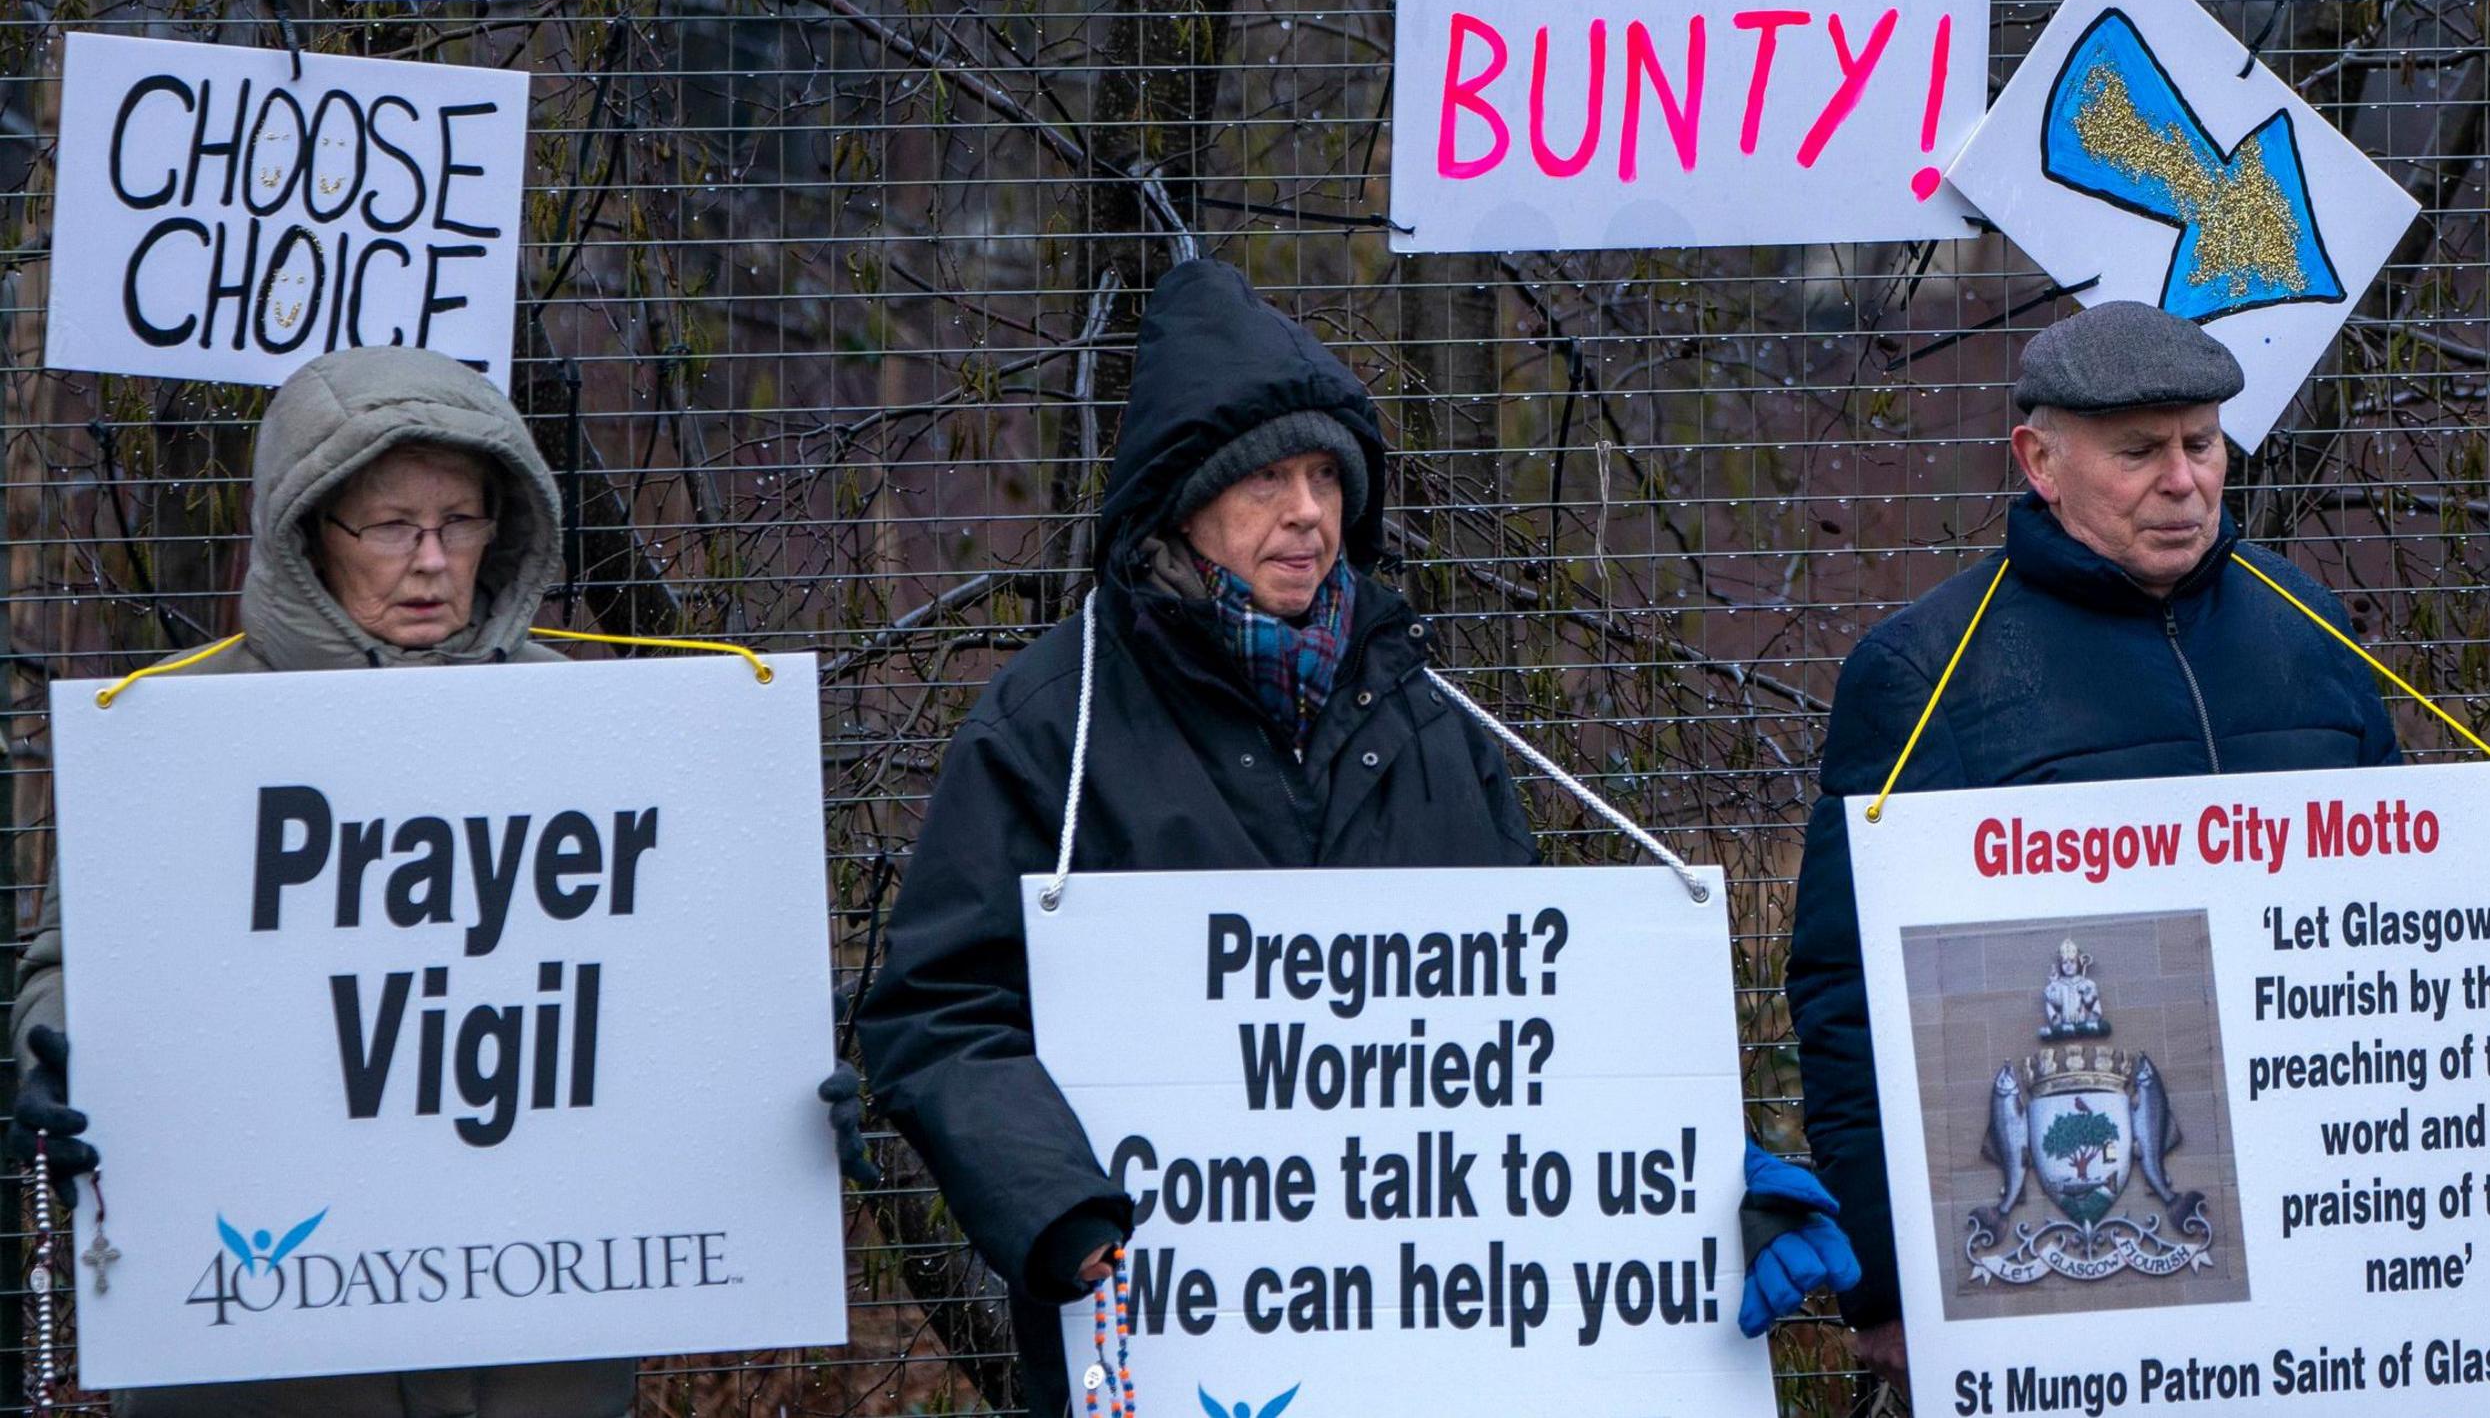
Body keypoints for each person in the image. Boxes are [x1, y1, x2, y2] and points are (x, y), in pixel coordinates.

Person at [859, 258, 1856, 1417]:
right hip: (1160, 1337)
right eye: (1268, 478)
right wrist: (1057, 1204)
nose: (1308, 512)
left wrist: (1702, 1184)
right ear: (1183, 501)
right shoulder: (1054, 725)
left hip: (1433, 1351)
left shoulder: (1434, 719)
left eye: (1327, 474)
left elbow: (1536, 1039)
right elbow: (937, 1011)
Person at [0, 346, 869, 1418]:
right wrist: (58, 1066)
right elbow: (72, 967)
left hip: (538, 1351)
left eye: (460, 520)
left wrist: (772, 1058)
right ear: (308, 528)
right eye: (390, 525)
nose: (430, 558)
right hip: (271, 1360)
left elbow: (668, 963)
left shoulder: (604, 723)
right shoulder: (181, 730)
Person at [1784, 302, 2409, 1384]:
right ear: (2040, 460)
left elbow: (2400, 928)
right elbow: (1849, 994)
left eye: (2202, 442)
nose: (2183, 479)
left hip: (2324, 1236)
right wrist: (1887, 1278)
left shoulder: (2311, 630)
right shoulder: (1928, 672)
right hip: (2067, 1264)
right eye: (2139, 451)